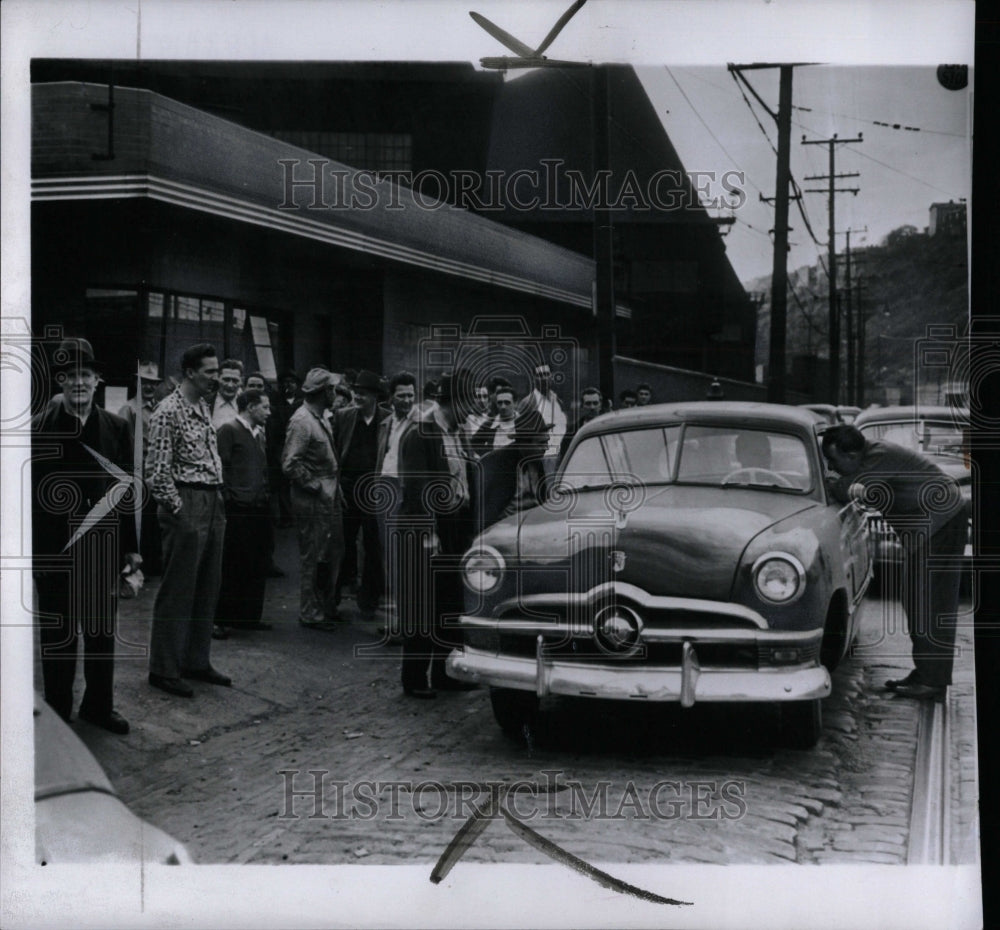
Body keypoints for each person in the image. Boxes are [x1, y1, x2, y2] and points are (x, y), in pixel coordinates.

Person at [32, 337, 140, 734]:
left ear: (97, 381)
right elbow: (31, 498)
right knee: (58, 635)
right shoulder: (41, 429)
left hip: (102, 550)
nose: (79, 383)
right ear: (62, 382)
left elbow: (126, 490)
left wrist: (131, 549)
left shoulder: (116, 427)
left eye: (86, 375)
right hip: (56, 552)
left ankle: (99, 706)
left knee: (99, 633)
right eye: (72, 376)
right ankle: (58, 711)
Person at [821, 424, 967, 699]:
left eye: (834, 461)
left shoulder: (877, 458)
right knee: (916, 597)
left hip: (939, 523)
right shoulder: (871, 455)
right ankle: (927, 673)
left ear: (851, 456)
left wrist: (826, 480)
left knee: (928, 600)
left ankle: (932, 681)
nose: (832, 467)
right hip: (933, 525)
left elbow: (843, 490)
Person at [146, 343, 232, 697]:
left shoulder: (203, 406)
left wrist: (216, 502)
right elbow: (156, 471)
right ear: (191, 372)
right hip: (187, 501)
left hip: (212, 500)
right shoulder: (168, 411)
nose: (216, 378)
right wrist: (180, 511)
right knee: (178, 589)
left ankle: (196, 660)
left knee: (207, 587)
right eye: (210, 372)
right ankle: (164, 669)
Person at [397, 369, 477, 697]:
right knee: (423, 603)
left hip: (455, 525)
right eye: (467, 404)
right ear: (452, 402)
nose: (471, 412)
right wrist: (429, 533)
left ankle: (446, 674)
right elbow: (417, 489)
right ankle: (414, 679)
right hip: (429, 529)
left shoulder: (457, 433)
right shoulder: (420, 434)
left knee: (450, 603)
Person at [282, 367, 345, 631]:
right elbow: (289, 464)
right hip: (313, 501)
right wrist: (316, 486)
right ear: (321, 392)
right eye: (331, 389)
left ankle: (324, 606)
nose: (335, 393)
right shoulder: (302, 421)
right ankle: (311, 612)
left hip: (327, 497)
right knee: (313, 556)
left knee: (328, 555)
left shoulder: (320, 417)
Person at [214, 389, 273, 634]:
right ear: (250, 407)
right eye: (265, 407)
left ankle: (249, 617)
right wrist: (229, 498)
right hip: (238, 508)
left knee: (255, 562)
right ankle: (223, 618)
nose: (269, 412)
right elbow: (221, 468)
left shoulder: (259, 434)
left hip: (258, 507)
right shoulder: (229, 430)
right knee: (232, 563)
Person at [332, 369, 388, 621]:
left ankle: (368, 600)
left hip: (375, 492)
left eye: (363, 394)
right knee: (342, 543)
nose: (358, 397)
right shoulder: (343, 417)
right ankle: (333, 598)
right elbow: (334, 451)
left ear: (375, 397)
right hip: (347, 488)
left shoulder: (387, 420)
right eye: (356, 393)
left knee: (373, 546)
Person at [470, 384, 548, 528]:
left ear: (515, 403)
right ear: (525, 443)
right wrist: (488, 452)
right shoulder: (499, 466)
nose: (546, 447)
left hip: (533, 523)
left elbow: (542, 498)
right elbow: (488, 512)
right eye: (541, 443)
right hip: (505, 527)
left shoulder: (536, 461)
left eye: (507, 402)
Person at [117, 360, 164, 575]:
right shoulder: (129, 409)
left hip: (157, 474)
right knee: (140, 521)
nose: (149, 387)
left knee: (155, 520)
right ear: (136, 382)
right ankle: (139, 564)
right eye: (144, 382)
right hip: (138, 474)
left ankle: (154, 563)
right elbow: (121, 444)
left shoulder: (159, 408)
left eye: (152, 383)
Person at [268, 370, 302, 528]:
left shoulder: (301, 403)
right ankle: (286, 515)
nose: (288, 385)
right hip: (280, 445)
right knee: (282, 482)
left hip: (299, 444)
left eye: (292, 382)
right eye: (285, 382)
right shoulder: (276, 402)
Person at [524, 362, 567, 477]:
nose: (544, 378)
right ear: (534, 378)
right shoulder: (529, 402)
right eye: (540, 375)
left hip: (563, 455)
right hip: (545, 458)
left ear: (551, 376)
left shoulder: (557, 400)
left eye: (546, 374)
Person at [560, 387, 604, 461]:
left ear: (600, 405)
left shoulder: (608, 425)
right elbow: (565, 455)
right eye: (588, 403)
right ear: (582, 406)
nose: (592, 407)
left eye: (595, 403)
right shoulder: (572, 431)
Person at [212, 358, 244, 429]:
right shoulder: (205, 402)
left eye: (235, 381)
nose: (230, 385)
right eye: (226, 380)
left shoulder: (246, 404)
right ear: (218, 378)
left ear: (241, 381)